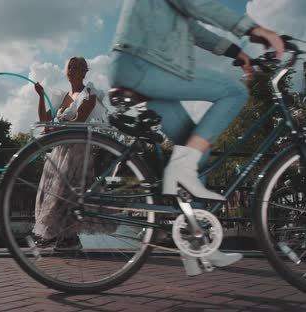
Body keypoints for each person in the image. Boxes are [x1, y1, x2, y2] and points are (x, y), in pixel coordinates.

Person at [107, 0, 284, 275]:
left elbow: (193, 30)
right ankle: (183, 171)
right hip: (144, 64)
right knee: (234, 91)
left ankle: (196, 248)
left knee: (191, 146)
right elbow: (199, 5)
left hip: (137, 64)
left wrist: (237, 52)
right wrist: (256, 30)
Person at [31, 56, 110, 250]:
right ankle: (65, 238)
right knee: (51, 191)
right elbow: (44, 120)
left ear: (84, 71)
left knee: (65, 193)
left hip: (77, 149)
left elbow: (79, 120)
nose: (72, 70)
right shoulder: (61, 96)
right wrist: (41, 96)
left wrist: (55, 129)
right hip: (59, 149)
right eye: (69, 67)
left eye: (77, 67)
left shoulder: (89, 93)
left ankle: (62, 237)